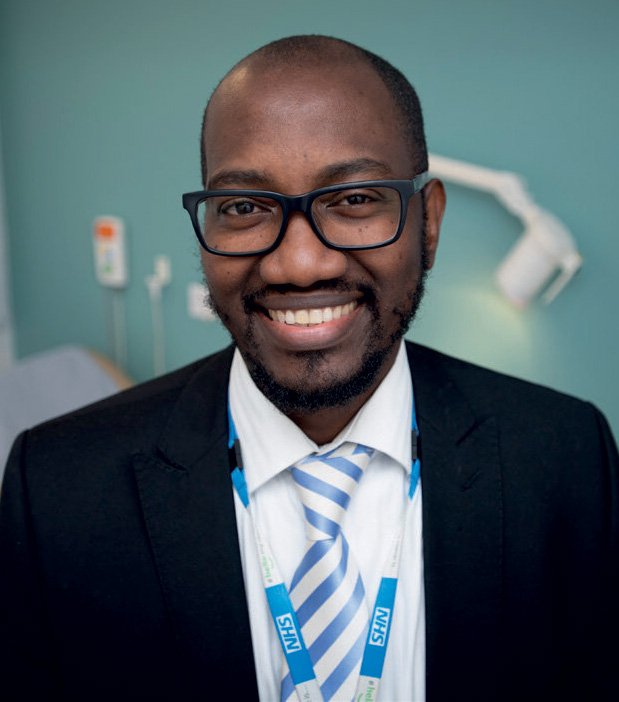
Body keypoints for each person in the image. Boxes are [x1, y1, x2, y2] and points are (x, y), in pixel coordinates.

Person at [1, 35, 617, 702]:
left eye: (353, 200)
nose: (299, 264)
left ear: (427, 224)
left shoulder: (563, 455)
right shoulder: (58, 487)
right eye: (243, 208)